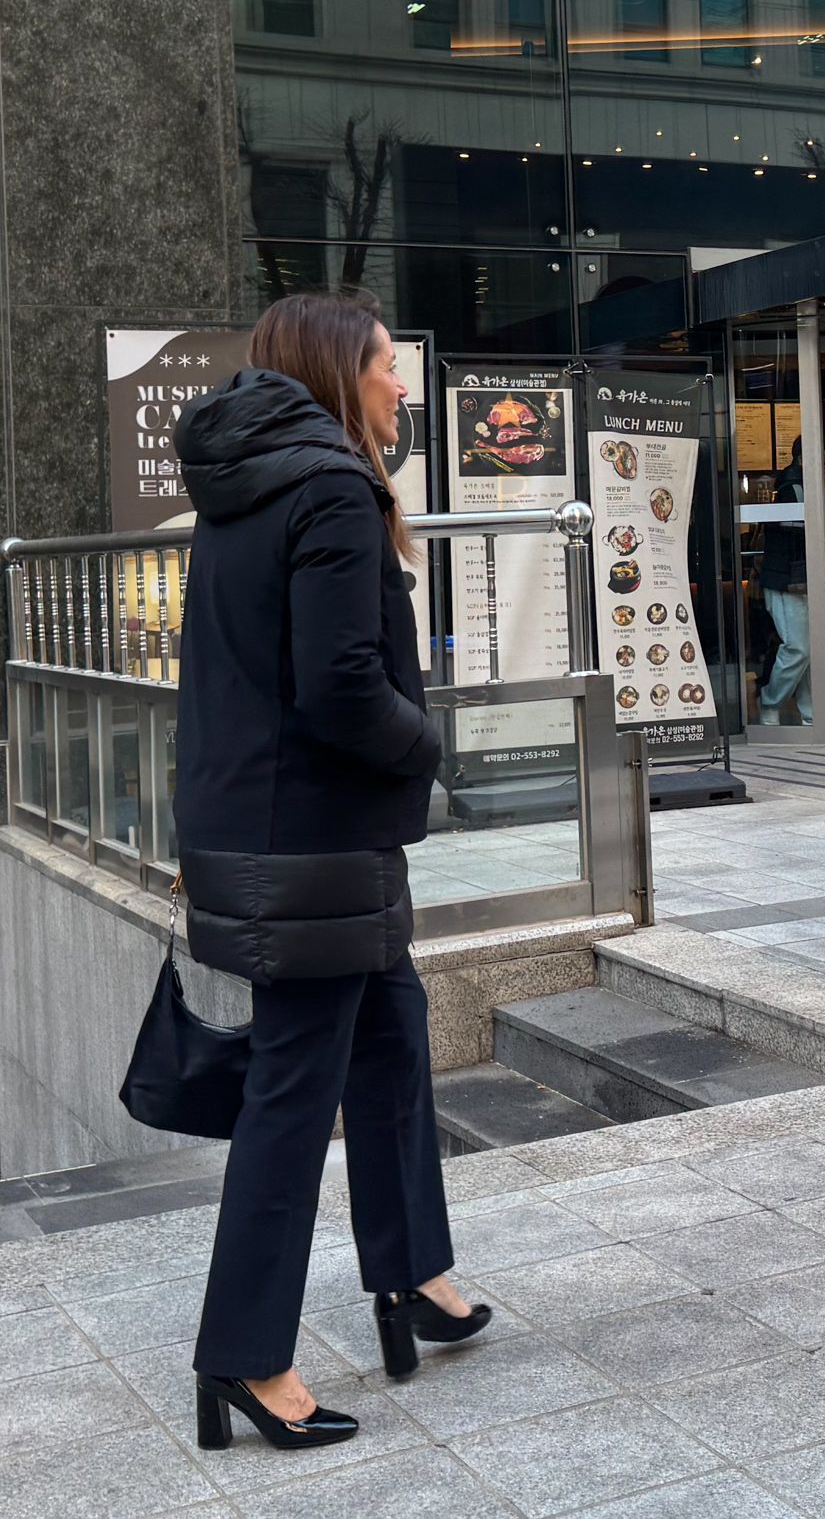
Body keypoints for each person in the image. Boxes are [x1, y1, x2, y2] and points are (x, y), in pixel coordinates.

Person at [173, 292, 491, 1452]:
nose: (401, 386)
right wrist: (429, 743)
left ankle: (410, 1274)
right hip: (310, 838)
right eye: (385, 367)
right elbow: (342, 686)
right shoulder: (333, 490)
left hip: (264, 827)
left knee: (395, 1036)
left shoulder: (242, 487)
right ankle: (245, 1357)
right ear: (333, 372)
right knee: (294, 1097)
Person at [757, 435, 825, 740]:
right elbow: (807, 536)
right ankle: (769, 703)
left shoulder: (794, 486)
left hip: (791, 580)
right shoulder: (796, 489)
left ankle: (814, 716)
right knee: (799, 648)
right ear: (806, 460)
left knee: (808, 649)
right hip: (787, 582)